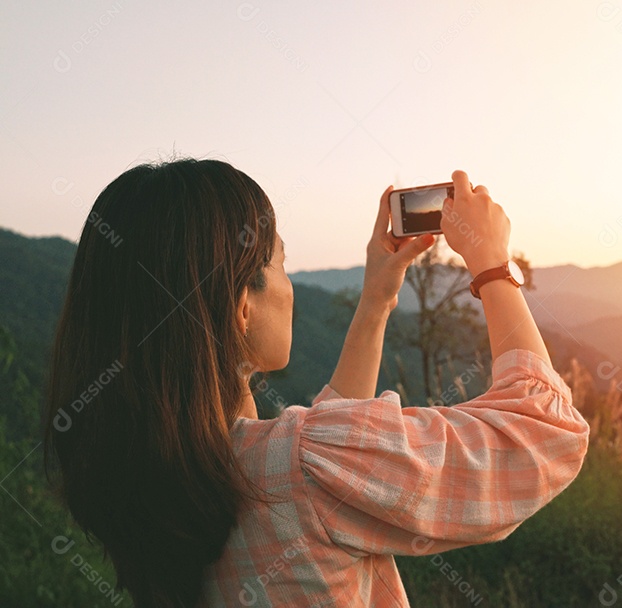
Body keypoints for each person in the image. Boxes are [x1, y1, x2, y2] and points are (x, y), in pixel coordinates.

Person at [43, 159, 589, 607]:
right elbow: (545, 433)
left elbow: (326, 453)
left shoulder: (151, 472)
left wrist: (377, 296)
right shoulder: (301, 467)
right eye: (281, 263)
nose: (291, 285)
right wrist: (492, 265)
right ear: (241, 310)